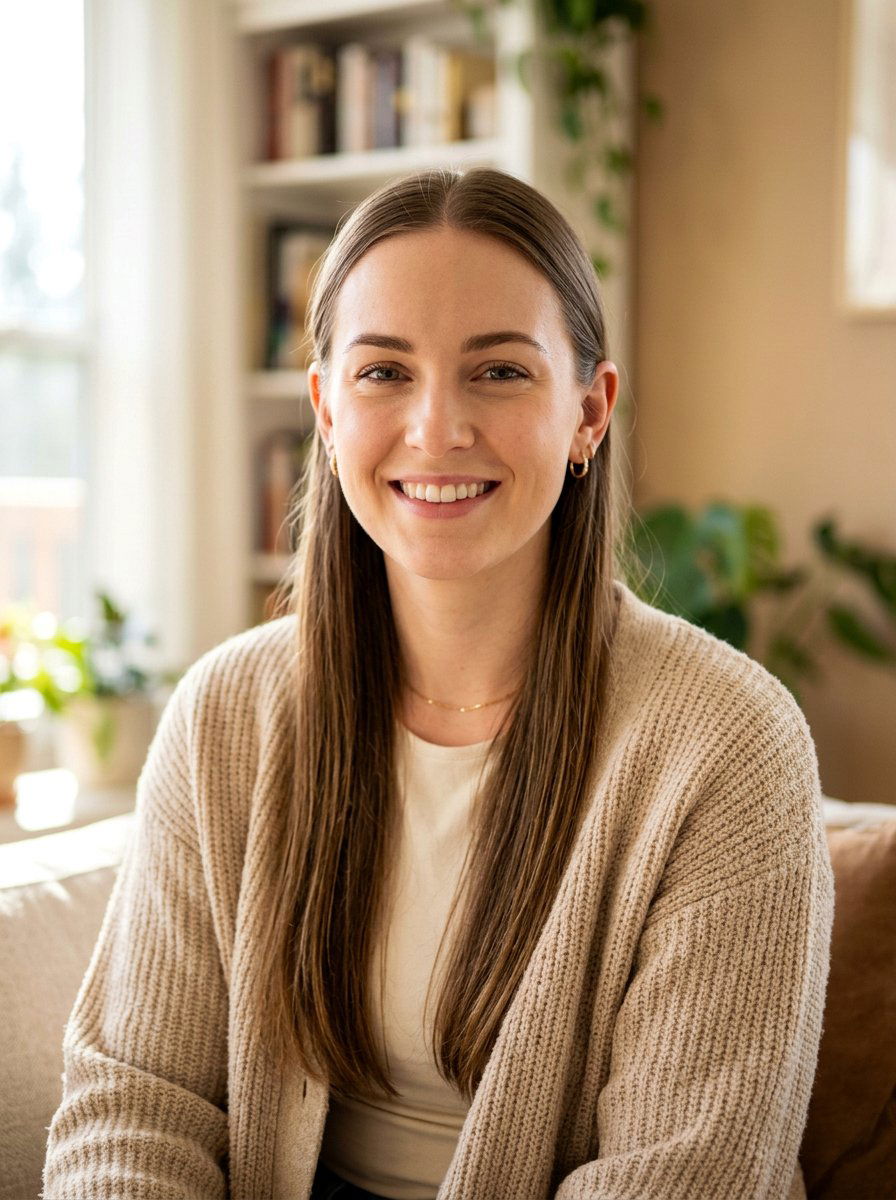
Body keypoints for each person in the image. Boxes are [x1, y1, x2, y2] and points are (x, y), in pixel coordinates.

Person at [41, 167, 834, 1200]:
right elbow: (135, 1107)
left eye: (498, 371)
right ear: (326, 411)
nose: (436, 428)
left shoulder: (727, 741)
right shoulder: (224, 713)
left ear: (589, 412)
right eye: (383, 372)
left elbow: (683, 1175)